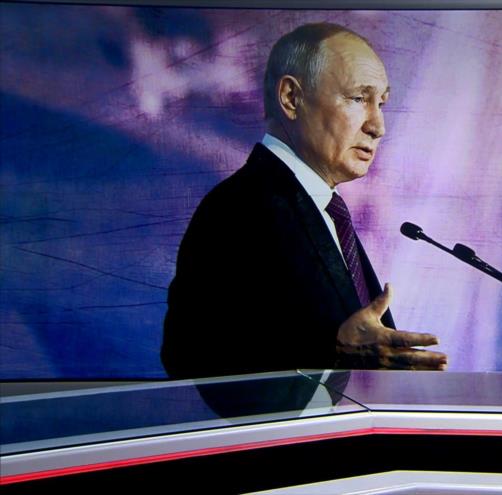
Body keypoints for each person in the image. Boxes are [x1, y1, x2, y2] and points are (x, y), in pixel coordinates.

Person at [162, 23, 447, 378]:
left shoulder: (325, 208)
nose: (378, 126)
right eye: (358, 99)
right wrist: (332, 350)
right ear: (291, 98)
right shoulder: (238, 208)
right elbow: (188, 353)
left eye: (381, 103)